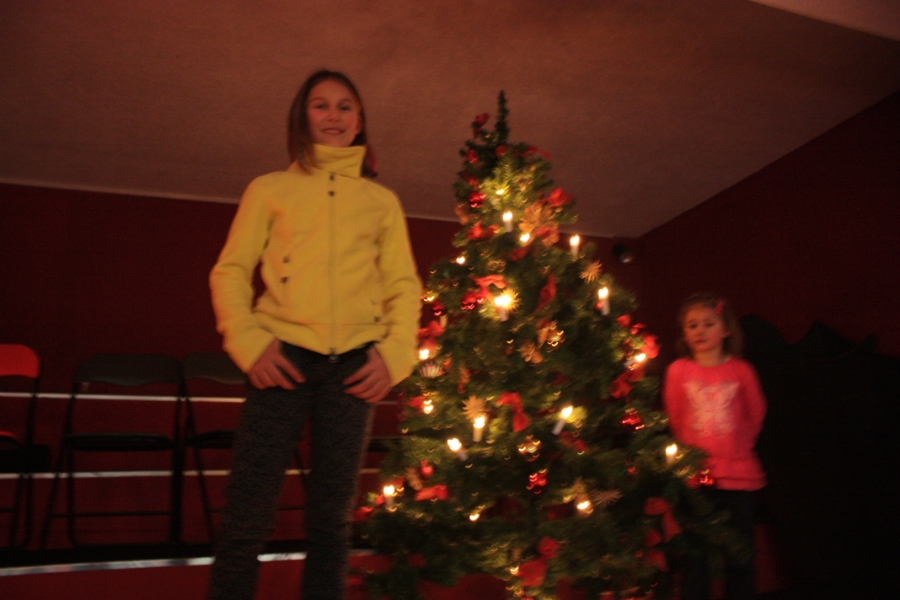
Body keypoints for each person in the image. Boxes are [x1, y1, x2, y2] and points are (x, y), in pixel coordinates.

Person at [206, 69, 421, 600]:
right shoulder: (268, 190)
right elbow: (230, 271)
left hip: (354, 369)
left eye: (345, 106)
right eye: (320, 105)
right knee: (247, 514)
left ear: (360, 121)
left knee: (331, 520)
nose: (333, 115)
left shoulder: (381, 203)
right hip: (280, 359)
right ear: (302, 117)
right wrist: (249, 343)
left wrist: (395, 355)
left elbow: (403, 285)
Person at [662, 292, 767, 600]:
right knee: (696, 559)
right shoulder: (678, 371)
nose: (700, 331)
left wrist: (738, 447)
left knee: (739, 555)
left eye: (708, 324)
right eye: (692, 325)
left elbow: (756, 412)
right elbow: (675, 417)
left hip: (738, 478)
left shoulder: (742, 371)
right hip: (696, 478)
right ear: (684, 333)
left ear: (726, 329)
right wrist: (692, 458)